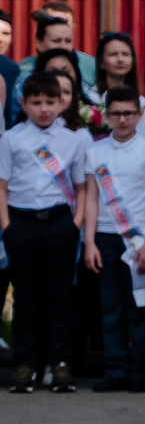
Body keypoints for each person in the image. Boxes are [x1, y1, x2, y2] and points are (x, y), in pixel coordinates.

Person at [4, 70, 91, 391]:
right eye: (37, 102)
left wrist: (75, 224)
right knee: (26, 297)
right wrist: (7, 227)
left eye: (50, 102)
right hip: (21, 222)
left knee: (60, 296)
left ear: (61, 103)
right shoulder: (12, 138)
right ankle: (26, 362)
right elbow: (1, 186)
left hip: (59, 223)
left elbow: (82, 187)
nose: (44, 108)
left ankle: (61, 363)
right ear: (24, 104)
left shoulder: (71, 140)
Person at [82, 85, 145, 391]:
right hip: (105, 236)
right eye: (116, 113)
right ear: (106, 116)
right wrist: (88, 242)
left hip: (139, 239)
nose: (123, 119)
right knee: (110, 306)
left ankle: (140, 370)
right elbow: (90, 197)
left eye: (129, 113)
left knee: (139, 307)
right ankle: (115, 369)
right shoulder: (95, 151)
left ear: (140, 115)